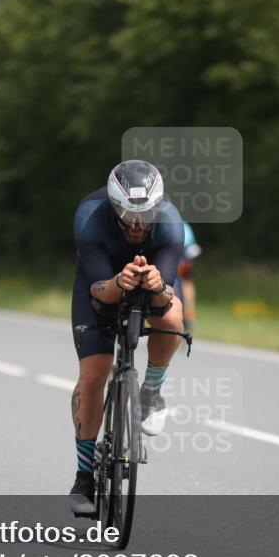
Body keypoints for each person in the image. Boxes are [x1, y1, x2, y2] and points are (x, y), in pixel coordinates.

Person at [68, 160, 186, 515]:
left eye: (145, 212)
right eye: (126, 212)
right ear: (112, 203)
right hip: (101, 285)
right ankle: (84, 476)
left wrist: (157, 287)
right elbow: (99, 289)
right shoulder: (90, 216)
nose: (137, 223)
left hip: (150, 282)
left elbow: (165, 296)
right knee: (93, 379)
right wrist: (119, 282)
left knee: (173, 315)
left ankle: (150, 390)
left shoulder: (170, 222)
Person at [177, 222, 202, 332]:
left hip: (179, 248)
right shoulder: (185, 224)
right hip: (188, 250)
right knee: (187, 282)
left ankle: (187, 315)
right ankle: (189, 315)